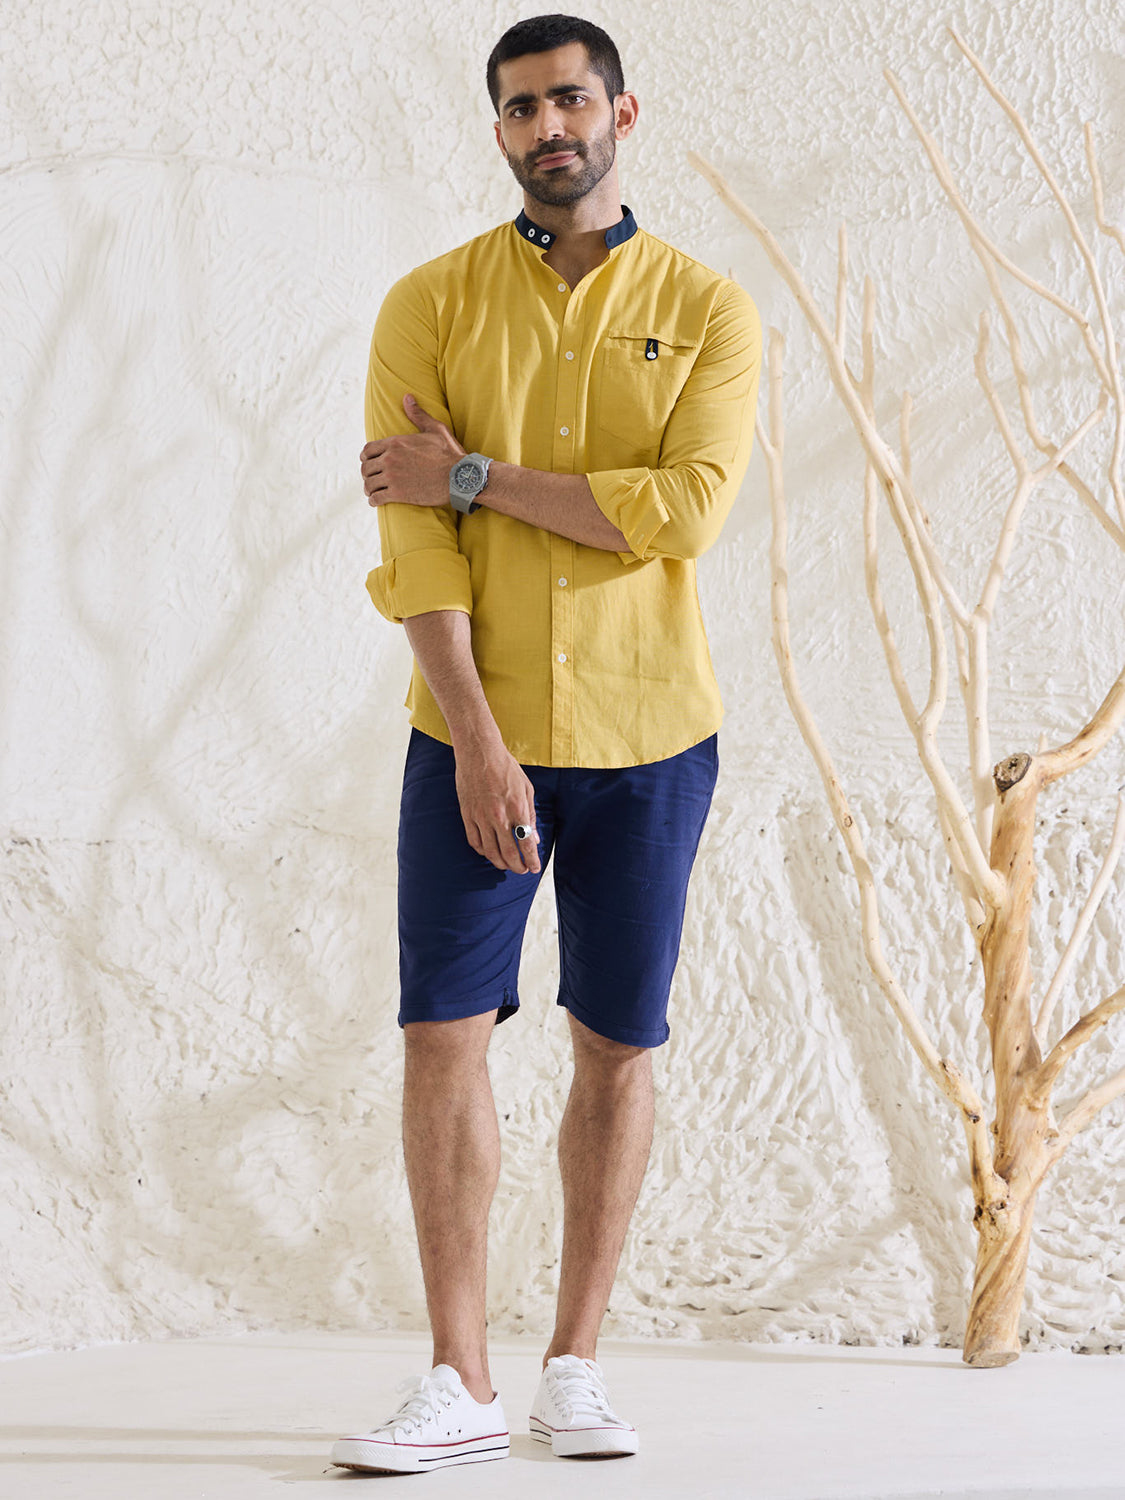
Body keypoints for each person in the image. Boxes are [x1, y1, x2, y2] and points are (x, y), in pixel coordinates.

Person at [330, 12, 761, 1476]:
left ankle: (575, 1366)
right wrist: (475, 739)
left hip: (653, 735)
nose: (545, 127)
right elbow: (415, 546)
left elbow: (682, 513)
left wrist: (471, 472)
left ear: (621, 114)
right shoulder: (427, 305)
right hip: (470, 728)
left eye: (569, 99)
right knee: (442, 1035)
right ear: (501, 129)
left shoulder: (707, 309)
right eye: (519, 108)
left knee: (616, 1043)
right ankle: (459, 1380)